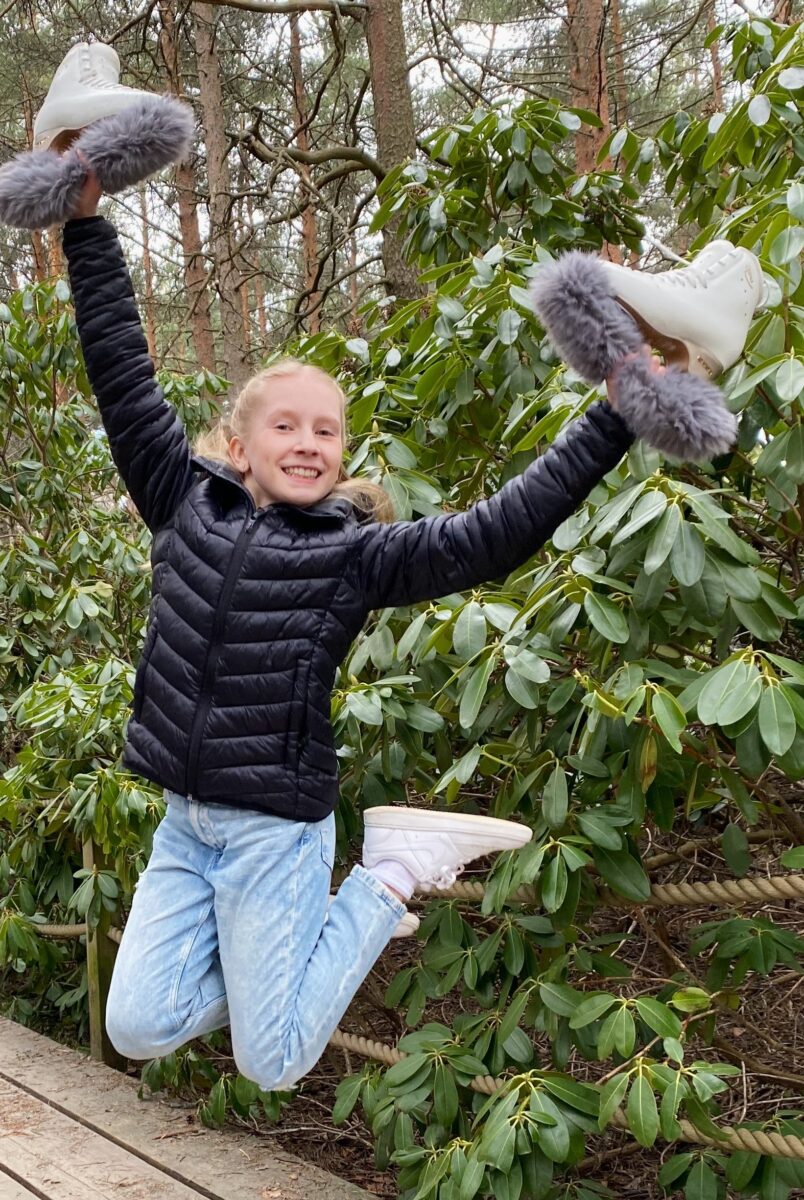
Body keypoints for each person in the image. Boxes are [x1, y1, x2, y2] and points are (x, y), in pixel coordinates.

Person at [60, 166, 656, 1091]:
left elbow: (495, 534)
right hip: (185, 822)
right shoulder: (179, 500)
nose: (309, 443)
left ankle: (384, 878)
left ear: (342, 454)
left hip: (274, 831)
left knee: (274, 1060)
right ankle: (312, 940)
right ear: (241, 442)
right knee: (136, 1023)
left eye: (330, 432)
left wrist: (618, 414)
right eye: (288, 426)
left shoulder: (354, 554)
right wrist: (84, 219)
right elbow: (120, 373)